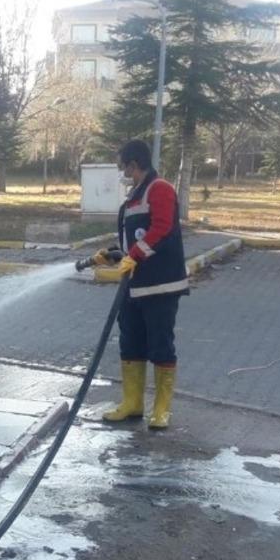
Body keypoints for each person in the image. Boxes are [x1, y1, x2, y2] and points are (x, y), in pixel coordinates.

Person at [91, 139, 188, 429]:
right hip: (132, 287)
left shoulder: (160, 189)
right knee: (130, 343)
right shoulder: (134, 196)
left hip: (160, 286)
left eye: (124, 166)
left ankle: (161, 410)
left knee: (160, 345)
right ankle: (132, 403)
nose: (123, 172)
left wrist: (133, 255)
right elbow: (133, 240)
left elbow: (162, 229)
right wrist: (112, 254)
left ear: (134, 164)